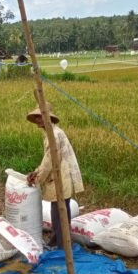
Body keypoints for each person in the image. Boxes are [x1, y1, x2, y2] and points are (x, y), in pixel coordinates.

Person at [26, 104, 84, 249]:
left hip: (61, 176)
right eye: (37, 118)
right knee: (58, 210)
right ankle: (57, 239)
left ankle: (62, 244)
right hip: (58, 175)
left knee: (60, 212)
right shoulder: (50, 133)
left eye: (40, 117)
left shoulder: (54, 134)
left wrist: (38, 176)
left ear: (48, 118)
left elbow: (50, 160)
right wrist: (37, 172)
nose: (38, 121)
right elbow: (48, 158)